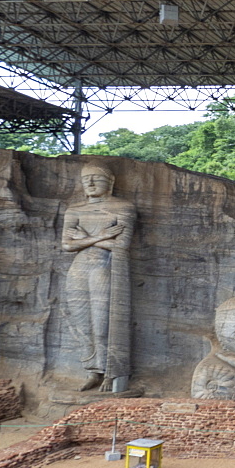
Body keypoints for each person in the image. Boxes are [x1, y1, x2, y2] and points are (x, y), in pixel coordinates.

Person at [62, 164, 136, 392]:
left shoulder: (123, 207)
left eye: (96, 178)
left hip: (104, 269)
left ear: (111, 182)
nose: (90, 184)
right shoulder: (74, 210)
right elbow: (66, 245)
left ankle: (109, 372)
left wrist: (87, 238)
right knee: (82, 322)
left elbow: (121, 245)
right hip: (78, 270)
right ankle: (92, 371)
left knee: (102, 322)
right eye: (86, 180)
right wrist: (102, 235)